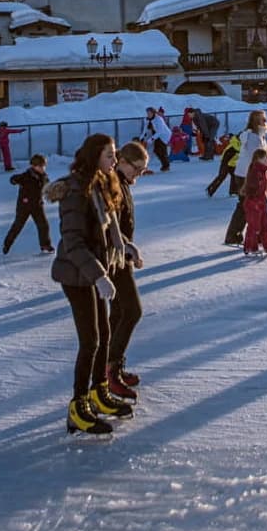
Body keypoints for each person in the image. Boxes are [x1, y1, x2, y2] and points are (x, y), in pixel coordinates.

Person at [48, 133, 133, 435]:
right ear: (94, 156)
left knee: (104, 334)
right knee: (90, 341)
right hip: (76, 275)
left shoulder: (100, 183)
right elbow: (73, 242)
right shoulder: (76, 190)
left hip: (93, 271)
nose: (114, 160)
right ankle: (78, 406)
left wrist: (125, 246)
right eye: (110, 155)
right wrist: (99, 276)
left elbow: (105, 228)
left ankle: (99, 392)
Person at [107, 142, 149, 399]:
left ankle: (111, 367)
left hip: (122, 256)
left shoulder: (122, 182)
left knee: (119, 313)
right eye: (137, 169)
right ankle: (110, 370)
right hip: (115, 257)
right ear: (122, 161)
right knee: (132, 311)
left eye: (143, 170)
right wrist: (126, 246)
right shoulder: (112, 183)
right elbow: (108, 224)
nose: (139, 175)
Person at [225, 110, 267, 245]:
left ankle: (242, 235)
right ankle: (237, 235)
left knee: (252, 205)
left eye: (265, 119)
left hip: (248, 174)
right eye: (262, 119)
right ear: (255, 122)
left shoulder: (258, 136)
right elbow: (254, 159)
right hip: (248, 175)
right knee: (250, 206)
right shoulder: (253, 138)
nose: (265, 121)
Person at [3, 154, 53, 255]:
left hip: (37, 205)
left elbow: (47, 187)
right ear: (34, 166)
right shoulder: (26, 176)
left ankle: (45, 245)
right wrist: (14, 180)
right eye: (40, 166)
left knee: (43, 225)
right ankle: (7, 244)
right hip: (24, 205)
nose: (43, 168)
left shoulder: (44, 177)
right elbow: (14, 178)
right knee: (18, 226)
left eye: (44, 166)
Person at [240, 147, 267, 256]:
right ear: (258, 159)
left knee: (265, 225)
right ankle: (250, 247)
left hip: (262, 203)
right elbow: (251, 187)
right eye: (265, 158)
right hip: (253, 204)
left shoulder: (264, 171)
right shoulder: (255, 171)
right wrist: (254, 197)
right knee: (254, 226)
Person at [206, 131, 242, 198]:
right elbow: (236, 150)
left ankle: (233, 192)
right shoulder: (234, 144)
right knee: (222, 176)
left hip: (233, 163)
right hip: (225, 162)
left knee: (234, 176)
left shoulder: (240, 144)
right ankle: (210, 189)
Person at [141, 108, 172, 172]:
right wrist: (141, 138)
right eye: (147, 113)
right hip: (156, 135)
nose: (148, 114)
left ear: (153, 113)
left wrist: (151, 139)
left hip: (163, 135)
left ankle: (166, 166)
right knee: (157, 150)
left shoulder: (159, 119)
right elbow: (145, 130)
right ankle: (165, 164)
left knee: (161, 150)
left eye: (150, 113)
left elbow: (160, 131)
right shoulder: (147, 120)